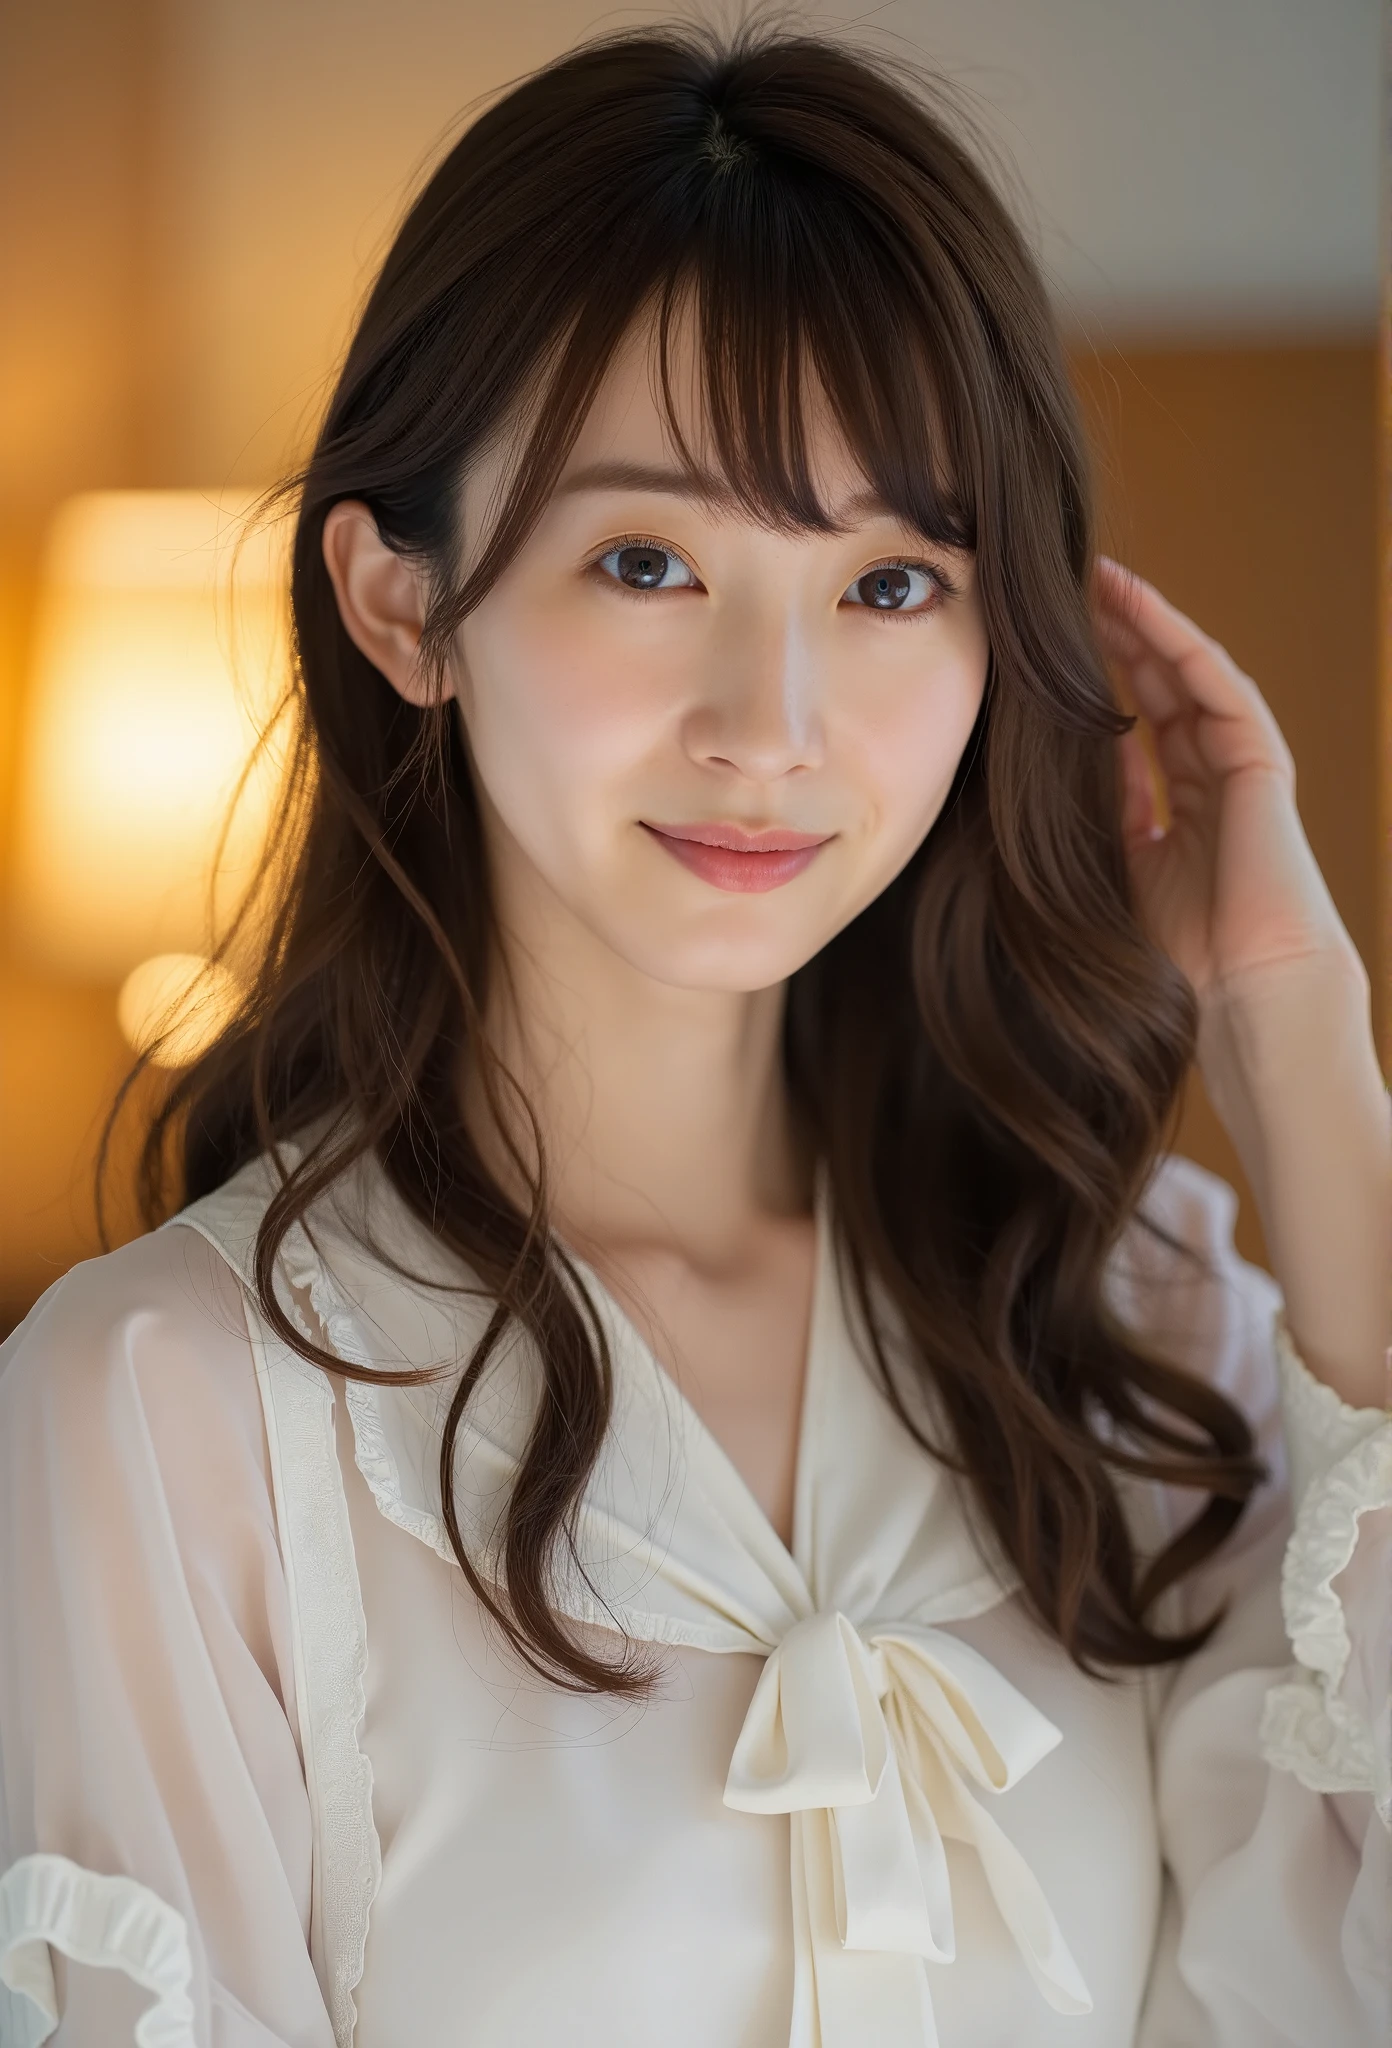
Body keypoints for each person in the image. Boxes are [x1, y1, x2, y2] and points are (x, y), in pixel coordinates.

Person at [0, 20, 1388, 2047]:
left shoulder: (1134, 1321)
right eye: (647, 561)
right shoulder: (164, 1414)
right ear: (406, 607)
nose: (775, 722)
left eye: (892, 584)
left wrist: (1304, 1047)